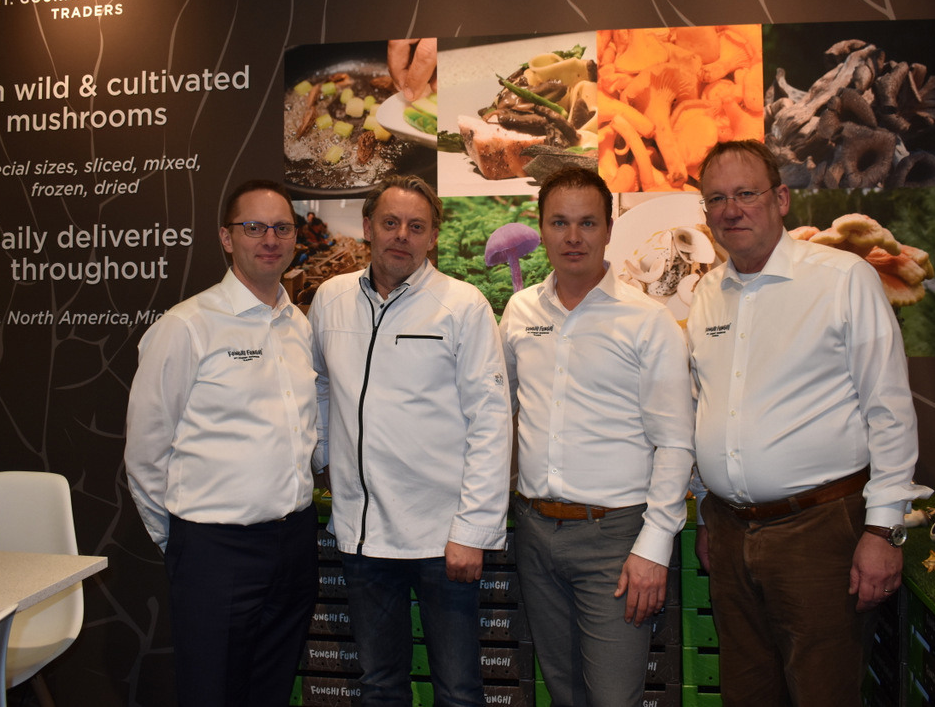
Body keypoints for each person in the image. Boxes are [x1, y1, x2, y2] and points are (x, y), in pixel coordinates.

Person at [685, 140, 930, 706]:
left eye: (746, 193)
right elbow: (705, 405)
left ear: (781, 199)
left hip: (819, 534)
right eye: (716, 198)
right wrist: (705, 515)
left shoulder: (843, 278)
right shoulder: (706, 294)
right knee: (746, 693)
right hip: (728, 533)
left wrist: (883, 530)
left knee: (824, 691)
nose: (731, 210)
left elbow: (890, 409)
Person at [310, 174, 511, 706]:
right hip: (362, 536)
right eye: (390, 222)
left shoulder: (463, 305)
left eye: (416, 226)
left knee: (458, 691)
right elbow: (320, 385)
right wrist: (327, 455)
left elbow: (490, 420)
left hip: (443, 538)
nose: (402, 235)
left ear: (433, 237)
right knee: (380, 686)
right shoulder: (330, 299)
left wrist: (473, 530)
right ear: (367, 227)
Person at [499, 167, 695, 707]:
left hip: (615, 539)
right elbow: (497, 410)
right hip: (535, 531)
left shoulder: (648, 320)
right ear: (541, 229)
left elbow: (676, 442)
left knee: (612, 697)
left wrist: (653, 546)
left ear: (609, 229)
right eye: (559, 222)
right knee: (564, 693)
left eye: (587, 223)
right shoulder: (519, 312)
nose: (573, 237)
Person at [125, 179, 319, 707]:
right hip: (216, 552)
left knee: (270, 691)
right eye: (253, 227)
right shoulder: (186, 326)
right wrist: (181, 542)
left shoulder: (298, 326)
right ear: (227, 238)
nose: (270, 239)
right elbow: (145, 452)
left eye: (282, 228)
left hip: (294, 545)